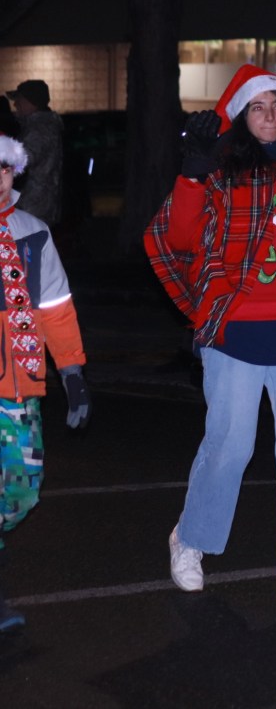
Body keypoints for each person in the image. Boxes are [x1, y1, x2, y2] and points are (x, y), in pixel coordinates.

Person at [144, 64, 276, 607]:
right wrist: (191, 174)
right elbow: (179, 238)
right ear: (242, 115)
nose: (269, 116)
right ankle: (189, 539)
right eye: (258, 107)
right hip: (236, 328)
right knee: (231, 445)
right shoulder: (219, 172)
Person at [0, 136, 90, 632]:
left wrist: (72, 373)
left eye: (3, 168)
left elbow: (55, 306)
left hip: (19, 385)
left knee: (22, 490)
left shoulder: (33, 233)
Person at [6, 81, 62, 226]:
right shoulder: (37, 126)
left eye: (20, 100)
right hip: (35, 205)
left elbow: (21, 160)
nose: (15, 104)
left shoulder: (39, 130)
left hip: (33, 207)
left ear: (33, 102)